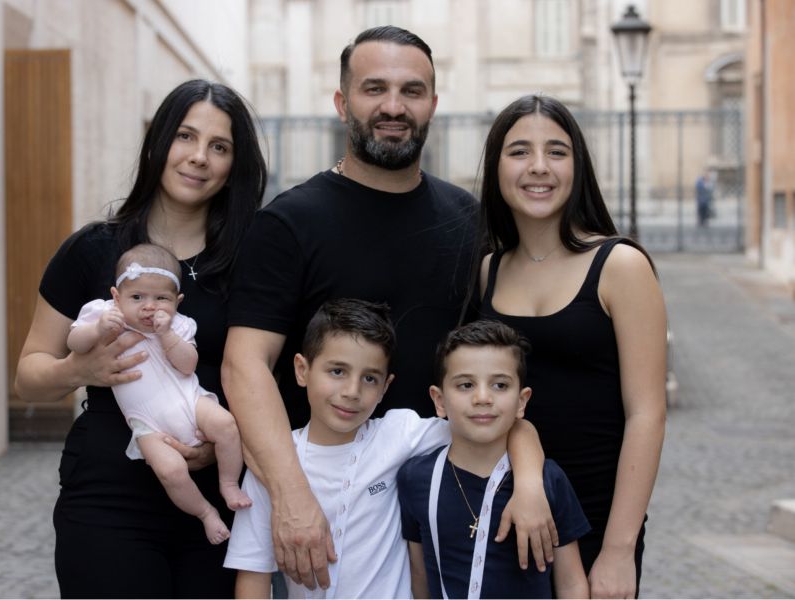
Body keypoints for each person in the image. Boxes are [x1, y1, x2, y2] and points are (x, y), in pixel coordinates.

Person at [221, 26, 556, 591]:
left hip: (450, 509)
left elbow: (499, 370)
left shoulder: (468, 222)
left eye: (412, 90)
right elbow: (244, 364)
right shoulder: (288, 224)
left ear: (433, 104)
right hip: (324, 513)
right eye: (374, 88)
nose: (394, 106)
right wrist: (290, 493)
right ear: (341, 101)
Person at [14, 79, 267, 598]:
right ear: (157, 144)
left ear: (233, 166)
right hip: (109, 499)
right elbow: (29, 377)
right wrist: (76, 371)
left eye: (219, 147)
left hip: (221, 507)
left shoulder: (255, 260)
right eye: (184, 137)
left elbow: (272, 377)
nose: (199, 157)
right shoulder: (92, 249)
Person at [473, 94, 667, 598]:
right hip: (511, 511)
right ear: (496, 166)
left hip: (600, 515)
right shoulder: (487, 271)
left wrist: (621, 549)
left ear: (578, 166)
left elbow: (647, 413)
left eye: (557, 152)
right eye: (519, 152)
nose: (539, 167)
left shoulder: (620, 265)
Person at [224, 298, 457, 598]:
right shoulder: (274, 462)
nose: (352, 392)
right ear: (302, 370)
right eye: (337, 371)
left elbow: (487, 429)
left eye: (370, 378)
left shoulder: (400, 433)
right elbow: (253, 574)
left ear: (386, 386)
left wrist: (530, 479)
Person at [67, 243, 251, 544]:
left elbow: (188, 365)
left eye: (161, 299)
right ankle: (205, 513)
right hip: (147, 424)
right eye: (137, 297)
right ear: (116, 296)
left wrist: (166, 334)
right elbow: (75, 343)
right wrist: (98, 330)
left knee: (226, 425)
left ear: (177, 301)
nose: (149, 307)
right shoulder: (102, 314)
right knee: (171, 471)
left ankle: (228, 484)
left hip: (191, 402)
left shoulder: (180, 325)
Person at [398, 320, 590, 599]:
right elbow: (419, 578)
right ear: (439, 400)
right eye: (465, 385)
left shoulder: (548, 480)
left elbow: (571, 584)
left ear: (522, 401)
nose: (483, 397)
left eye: (500, 385)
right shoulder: (415, 478)